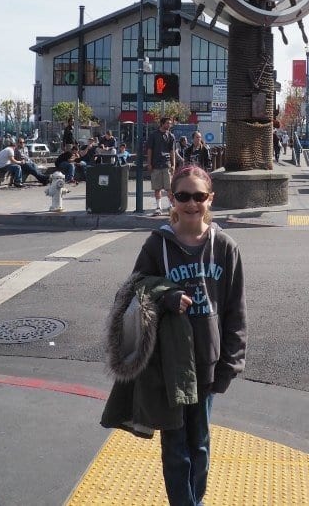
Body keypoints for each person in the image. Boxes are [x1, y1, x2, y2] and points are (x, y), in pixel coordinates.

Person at [103, 166, 247, 506]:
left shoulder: (225, 247)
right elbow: (133, 289)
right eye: (184, 196)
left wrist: (231, 364)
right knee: (175, 446)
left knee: (199, 443)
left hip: (208, 364)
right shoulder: (157, 245)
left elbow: (235, 310)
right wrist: (165, 295)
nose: (192, 203)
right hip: (169, 365)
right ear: (172, 198)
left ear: (210, 199)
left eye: (199, 196)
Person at [147, 117, 176, 216]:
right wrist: (149, 163)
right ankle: (158, 207)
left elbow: (172, 151)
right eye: (167, 123)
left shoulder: (171, 136)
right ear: (162, 124)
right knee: (157, 188)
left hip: (166, 163)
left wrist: (173, 164)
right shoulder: (153, 135)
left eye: (170, 123)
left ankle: (170, 206)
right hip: (156, 164)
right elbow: (149, 150)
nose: (169, 125)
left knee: (169, 188)